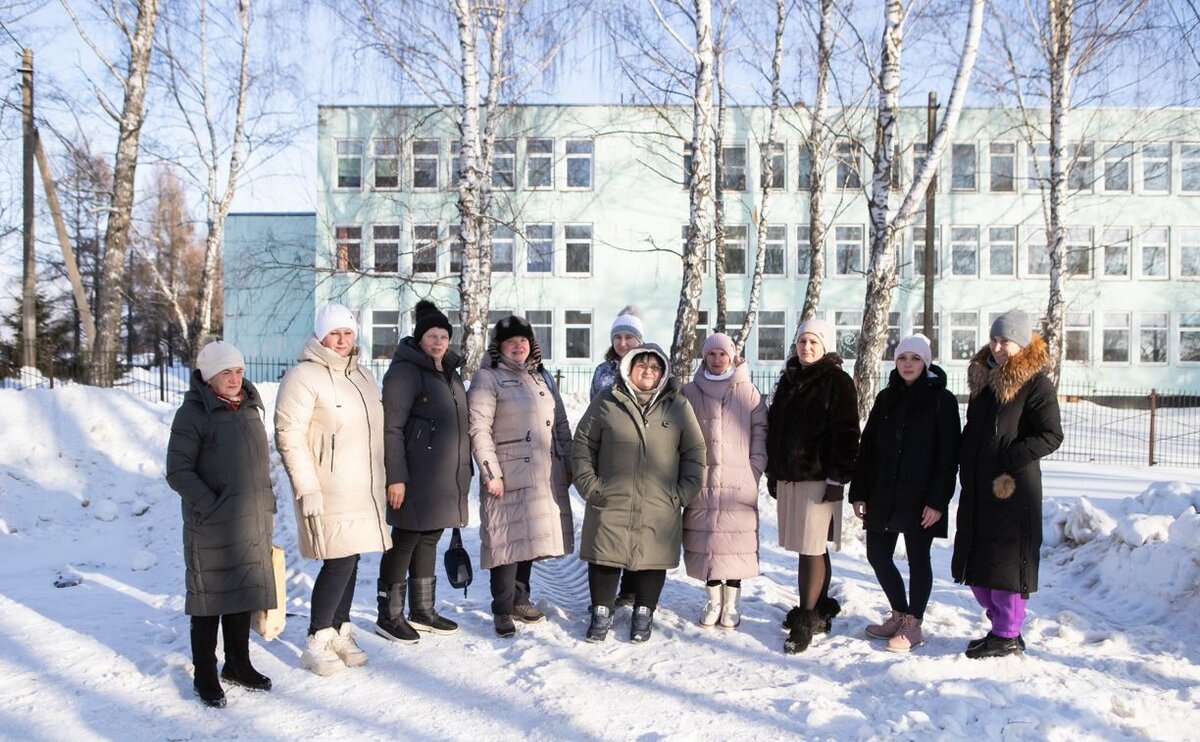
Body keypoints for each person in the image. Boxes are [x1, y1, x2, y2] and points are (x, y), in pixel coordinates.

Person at [275, 303, 391, 676]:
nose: (342, 340)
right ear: (321, 336)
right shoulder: (303, 376)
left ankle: (340, 629)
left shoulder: (363, 376)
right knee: (338, 560)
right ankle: (317, 638)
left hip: (364, 486)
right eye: (334, 333)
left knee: (352, 557)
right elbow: (288, 436)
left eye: (348, 333)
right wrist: (306, 487)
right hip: (329, 488)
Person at [166, 341, 276, 708]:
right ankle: (205, 673)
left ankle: (238, 664)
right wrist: (212, 504)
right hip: (211, 524)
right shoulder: (194, 413)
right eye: (225, 372)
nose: (234, 379)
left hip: (250, 520)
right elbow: (177, 471)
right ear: (208, 376)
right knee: (208, 600)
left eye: (239, 371)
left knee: (242, 595)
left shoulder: (248, 408)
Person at [573, 344, 706, 643]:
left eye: (655, 367)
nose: (648, 371)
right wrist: (590, 486)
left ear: (663, 373)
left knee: (652, 556)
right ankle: (601, 612)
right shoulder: (608, 401)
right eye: (642, 365)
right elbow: (582, 444)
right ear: (629, 368)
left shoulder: (678, 406)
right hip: (610, 496)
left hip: (660, 499)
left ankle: (644, 611)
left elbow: (695, 452)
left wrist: (682, 493)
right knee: (605, 554)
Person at [953, 309, 1063, 659]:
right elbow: (975, 430)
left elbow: (1051, 435)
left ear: (1022, 344)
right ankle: (1001, 626)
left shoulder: (1036, 385)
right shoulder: (984, 380)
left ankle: (1007, 634)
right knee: (979, 566)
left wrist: (1010, 458)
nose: (999, 348)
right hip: (978, 488)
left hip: (1012, 489)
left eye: (1006, 342)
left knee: (1004, 565)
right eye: (995, 339)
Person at [850, 334, 961, 653]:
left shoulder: (943, 400)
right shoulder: (886, 397)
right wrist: (860, 492)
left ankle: (914, 624)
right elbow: (868, 447)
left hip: (921, 496)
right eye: (902, 358)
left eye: (914, 358)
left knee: (918, 559)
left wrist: (937, 501)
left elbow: (948, 455)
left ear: (925, 362)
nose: (908, 364)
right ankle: (899, 613)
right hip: (883, 491)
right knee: (878, 556)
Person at [467, 315, 575, 638]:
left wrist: (567, 461)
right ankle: (502, 608)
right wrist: (490, 472)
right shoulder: (488, 379)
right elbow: (479, 428)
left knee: (527, 540)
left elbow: (561, 424)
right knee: (506, 541)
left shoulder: (541, 378)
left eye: (523, 341)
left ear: (532, 345)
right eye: (511, 341)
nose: (518, 345)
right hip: (506, 474)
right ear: (499, 347)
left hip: (542, 471)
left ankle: (520, 598)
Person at [376, 300, 472, 644]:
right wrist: (396, 477)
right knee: (404, 540)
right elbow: (392, 428)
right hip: (414, 474)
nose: (438, 342)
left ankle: (422, 610)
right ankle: (388, 614)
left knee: (430, 536)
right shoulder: (404, 371)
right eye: (432, 336)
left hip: (443, 476)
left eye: (444, 336)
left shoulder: (448, 371)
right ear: (419, 338)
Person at [766, 319, 860, 655]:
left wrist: (837, 479)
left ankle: (807, 618)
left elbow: (848, 434)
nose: (806, 347)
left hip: (820, 479)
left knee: (810, 547)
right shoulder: (790, 378)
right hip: (791, 477)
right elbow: (776, 428)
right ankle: (819, 605)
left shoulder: (836, 380)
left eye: (813, 342)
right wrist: (774, 472)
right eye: (802, 341)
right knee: (811, 546)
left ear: (825, 346)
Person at [680, 333, 767, 629]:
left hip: (738, 480)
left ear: (732, 357)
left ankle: (732, 604)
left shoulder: (747, 391)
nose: (717, 360)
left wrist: (754, 467)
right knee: (708, 543)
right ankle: (713, 601)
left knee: (735, 543)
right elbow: (678, 432)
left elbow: (760, 430)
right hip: (701, 480)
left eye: (722, 355)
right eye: (711, 355)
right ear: (704, 358)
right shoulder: (689, 391)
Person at [588, 304, 645, 606]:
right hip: (608, 460)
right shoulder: (603, 372)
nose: (623, 343)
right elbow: (592, 414)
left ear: (640, 340)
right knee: (610, 526)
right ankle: (607, 591)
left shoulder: (650, 368)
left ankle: (632, 587)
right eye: (618, 337)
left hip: (643, 460)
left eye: (629, 337)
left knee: (637, 524)